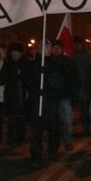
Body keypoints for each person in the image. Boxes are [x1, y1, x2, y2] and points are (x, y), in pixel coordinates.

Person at [28, 40, 62, 168]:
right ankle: (36, 156)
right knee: (37, 131)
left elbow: (59, 81)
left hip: (51, 102)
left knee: (54, 129)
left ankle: (52, 152)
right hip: (38, 102)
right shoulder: (34, 64)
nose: (48, 49)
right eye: (45, 46)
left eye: (49, 46)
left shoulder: (54, 63)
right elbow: (29, 81)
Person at [0, 42, 32, 149]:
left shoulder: (26, 64)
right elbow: (0, 80)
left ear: (21, 53)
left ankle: (20, 139)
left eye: (17, 52)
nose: (15, 54)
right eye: (13, 52)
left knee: (21, 119)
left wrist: (21, 75)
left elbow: (29, 80)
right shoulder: (7, 64)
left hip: (22, 96)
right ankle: (12, 139)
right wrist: (9, 74)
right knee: (11, 119)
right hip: (11, 96)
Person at [51, 39, 80, 151]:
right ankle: (54, 143)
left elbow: (75, 79)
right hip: (52, 97)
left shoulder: (68, 61)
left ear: (62, 49)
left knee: (67, 121)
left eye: (58, 47)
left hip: (65, 97)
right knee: (54, 123)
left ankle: (68, 141)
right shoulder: (48, 61)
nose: (56, 49)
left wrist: (74, 96)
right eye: (54, 47)